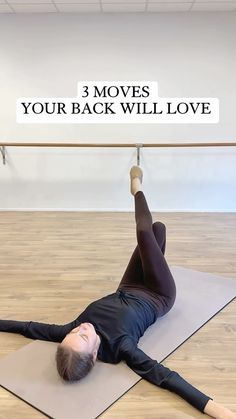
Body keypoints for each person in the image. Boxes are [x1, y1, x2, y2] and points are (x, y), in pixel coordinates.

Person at [0, 166, 235, 419]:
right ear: (93, 354)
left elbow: (26, 327)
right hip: (158, 295)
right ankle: (137, 187)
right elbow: (164, 376)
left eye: (72, 332)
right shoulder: (123, 348)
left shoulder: (72, 328)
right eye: (83, 336)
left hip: (128, 285)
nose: (80, 328)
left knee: (158, 230)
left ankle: (151, 247)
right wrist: (216, 410)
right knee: (147, 232)